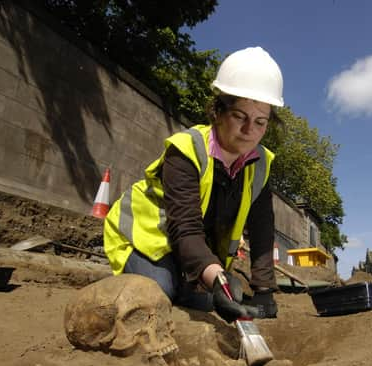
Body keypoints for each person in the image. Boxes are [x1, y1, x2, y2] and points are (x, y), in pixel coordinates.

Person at [104, 47, 283, 322]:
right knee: (161, 291)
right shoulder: (186, 150)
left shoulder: (260, 164)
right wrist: (215, 277)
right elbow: (185, 225)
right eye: (240, 117)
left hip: (188, 244)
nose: (250, 131)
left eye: (260, 122)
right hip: (144, 236)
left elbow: (262, 226)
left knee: (205, 298)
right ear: (218, 112)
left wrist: (263, 289)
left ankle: (189, 282)